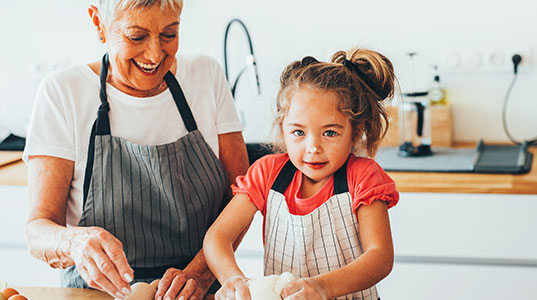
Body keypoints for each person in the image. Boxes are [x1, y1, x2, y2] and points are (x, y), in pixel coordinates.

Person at [22, 0, 249, 299]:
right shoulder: (63, 93)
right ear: (99, 24)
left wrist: (200, 273)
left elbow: (244, 196)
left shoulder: (206, 76)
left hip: (200, 290)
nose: (155, 54)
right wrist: (74, 242)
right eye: (136, 36)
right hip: (97, 293)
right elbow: (38, 230)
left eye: (169, 34)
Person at [203, 48, 399, 300]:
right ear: (283, 129)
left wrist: (322, 287)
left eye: (330, 132)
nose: (313, 147)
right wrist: (231, 278)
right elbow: (217, 236)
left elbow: (379, 257)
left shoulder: (363, 176)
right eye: (299, 132)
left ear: (356, 132)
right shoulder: (268, 172)